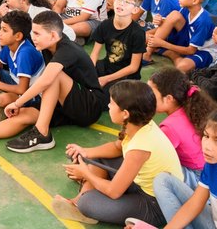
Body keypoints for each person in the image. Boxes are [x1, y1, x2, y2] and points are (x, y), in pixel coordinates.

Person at [0, 11, 108, 154]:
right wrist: (22, 106)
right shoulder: (48, 47)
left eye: (37, 33)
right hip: (67, 104)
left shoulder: (67, 49)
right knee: (26, 113)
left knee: (55, 76)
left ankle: (42, 134)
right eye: (32, 32)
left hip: (89, 105)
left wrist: (17, 102)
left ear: (54, 35)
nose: (32, 37)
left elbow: (46, 81)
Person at [53, 80, 183, 226]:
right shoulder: (140, 122)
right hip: (142, 183)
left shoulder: (140, 147)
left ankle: (82, 200)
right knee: (98, 157)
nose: (108, 106)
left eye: (112, 103)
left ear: (125, 113)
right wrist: (85, 152)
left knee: (88, 202)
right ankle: (78, 199)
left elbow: (114, 191)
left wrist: (86, 173)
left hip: (155, 205)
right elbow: (116, 147)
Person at [149, 67, 217, 186]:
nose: (147, 97)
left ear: (169, 99)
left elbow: (150, 155)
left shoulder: (169, 127)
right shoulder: (193, 109)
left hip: (198, 176)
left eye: (151, 94)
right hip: (213, 169)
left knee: (155, 171)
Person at [89, 0, 146, 90]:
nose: (121, 3)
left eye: (127, 2)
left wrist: (107, 79)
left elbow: (133, 67)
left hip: (126, 77)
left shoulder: (137, 33)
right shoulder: (105, 25)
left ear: (135, 9)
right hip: (107, 67)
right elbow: (94, 54)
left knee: (106, 95)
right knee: (80, 72)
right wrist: (90, 70)